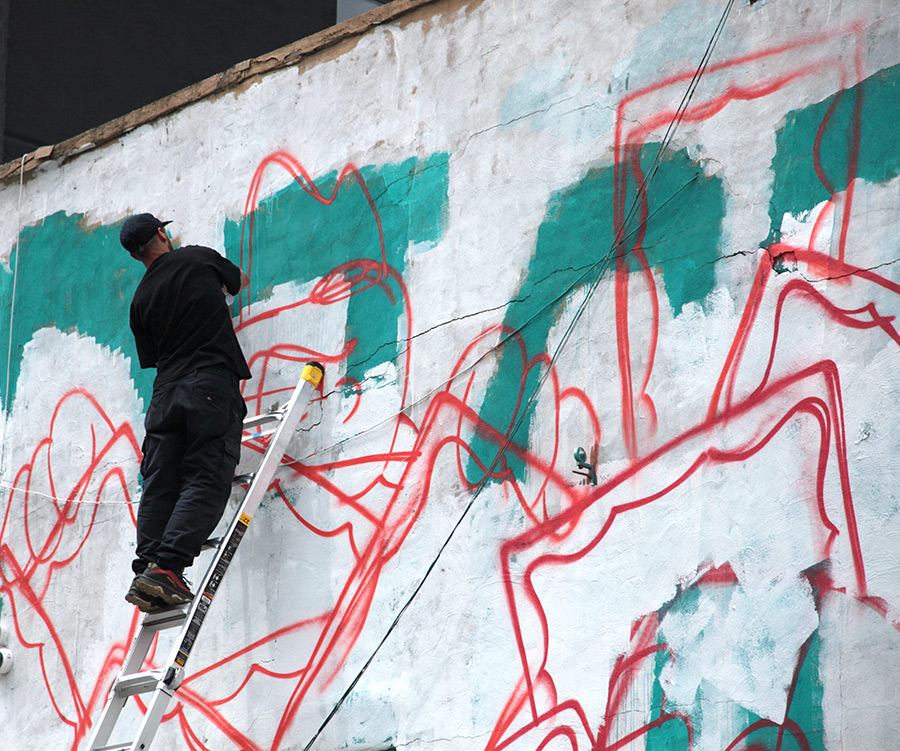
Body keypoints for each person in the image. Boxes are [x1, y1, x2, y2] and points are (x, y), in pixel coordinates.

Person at [119, 213, 251, 612]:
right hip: (208, 384)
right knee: (206, 475)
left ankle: (148, 565)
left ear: (135, 255)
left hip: (165, 396)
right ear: (162, 233)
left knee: (160, 482)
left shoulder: (140, 300)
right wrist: (217, 293)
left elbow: (155, 358)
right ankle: (169, 569)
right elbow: (240, 280)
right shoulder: (196, 258)